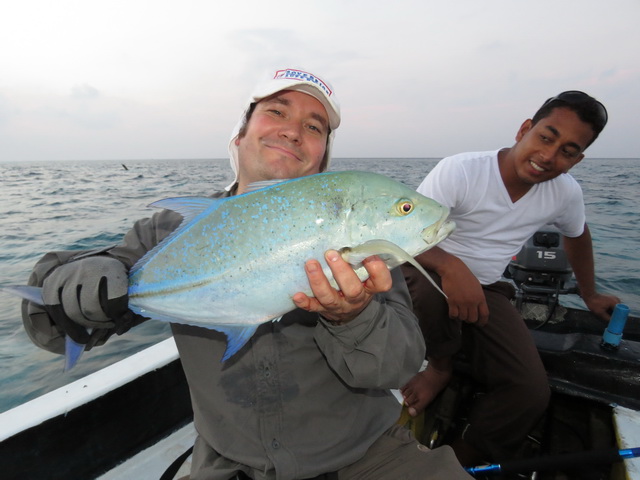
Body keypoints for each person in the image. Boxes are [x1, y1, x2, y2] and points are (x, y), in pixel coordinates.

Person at [21, 67, 472, 480]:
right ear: (240, 135)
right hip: (229, 466)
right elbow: (50, 327)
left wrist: (354, 315)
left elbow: (397, 367)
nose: (293, 131)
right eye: (277, 111)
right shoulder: (166, 231)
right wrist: (72, 283)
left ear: (322, 159)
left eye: (314, 127)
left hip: (366, 457)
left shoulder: (370, 256)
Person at [400, 91, 622, 467]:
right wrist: (451, 266)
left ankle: (456, 465)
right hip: (422, 268)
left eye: (568, 151)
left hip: (488, 287)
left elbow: (577, 235)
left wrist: (590, 294)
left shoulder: (565, 193)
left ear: (578, 160)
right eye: (546, 137)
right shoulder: (462, 170)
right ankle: (440, 366)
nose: (549, 156)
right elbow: (402, 234)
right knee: (432, 291)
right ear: (525, 129)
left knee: (530, 390)